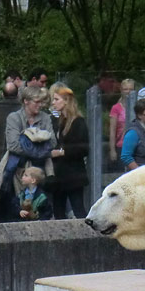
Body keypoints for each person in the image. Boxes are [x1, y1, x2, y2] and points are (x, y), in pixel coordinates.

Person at [49, 86, 89, 219]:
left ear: (66, 101)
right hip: (59, 174)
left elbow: (83, 148)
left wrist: (61, 152)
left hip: (73, 174)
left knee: (78, 209)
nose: (53, 103)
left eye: (56, 99)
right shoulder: (60, 121)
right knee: (58, 210)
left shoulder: (78, 122)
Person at [108, 78, 135, 165]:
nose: (128, 92)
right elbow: (112, 131)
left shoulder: (138, 106)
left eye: (131, 89)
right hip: (121, 145)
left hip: (136, 145)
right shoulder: (116, 108)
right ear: (121, 90)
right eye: (125, 89)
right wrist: (112, 150)